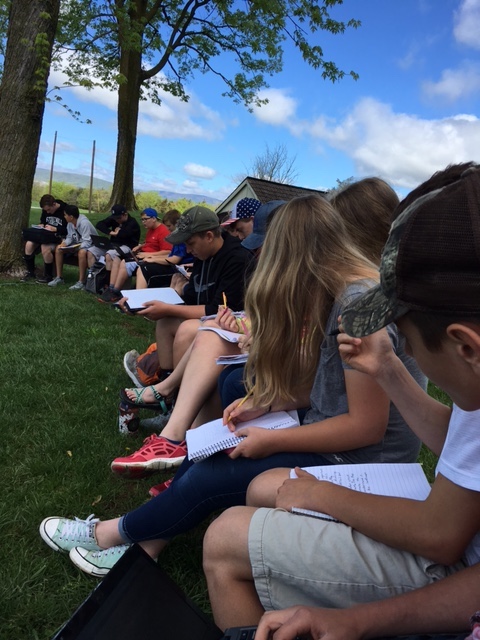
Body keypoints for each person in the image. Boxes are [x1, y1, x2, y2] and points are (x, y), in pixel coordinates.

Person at [39, 195, 424, 579]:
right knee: (208, 445)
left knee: (209, 477)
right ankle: (142, 545)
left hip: (362, 464)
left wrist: (273, 440)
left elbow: (366, 427)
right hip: (333, 436)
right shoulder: (342, 295)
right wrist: (267, 405)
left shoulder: (355, 307)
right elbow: (331, 389)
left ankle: (108, 534)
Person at [202, 162, 480, 639]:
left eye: (408, 339)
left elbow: (440, 536)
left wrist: (321, 495)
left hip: (455, 569)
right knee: (265, 491)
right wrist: (389, 370)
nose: (408, 352)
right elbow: (460, 440)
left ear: (467, 349)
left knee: (225, 535)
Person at [100, 208, 172, 302]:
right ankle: (112, 287)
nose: (143, 222)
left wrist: (147, 254)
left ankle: (116, 292)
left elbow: (167, 251)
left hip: (152, 259)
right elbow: (150, 243)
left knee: (125, 263)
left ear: (154, 219)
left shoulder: (163, 231)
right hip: (142, 254)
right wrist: (140, 246)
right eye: (142, 220)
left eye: (145, 219)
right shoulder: (150, 229)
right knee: (117, 259)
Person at [134, 209, 193, 289]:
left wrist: (154, 260)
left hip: (181, 268)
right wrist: (152, 257)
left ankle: (139, 294)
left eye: (169, 226)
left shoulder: (181, 239)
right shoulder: (176, 237)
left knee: (145, 268)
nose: (167, 229)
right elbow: (170, 255)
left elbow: (174, 260)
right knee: (144, 265)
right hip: (175, 267)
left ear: (177, 224)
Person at [48, 205, 101, 290]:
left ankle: (81, 281)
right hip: (77, 244)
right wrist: (65, 244)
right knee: (58, 249)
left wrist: (76, 248)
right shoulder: (70, 223)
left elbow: (87, 241)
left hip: (91, 245)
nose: (64, 216)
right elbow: (70, 237)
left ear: (71, 217)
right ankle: (59, 277)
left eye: (65, 215)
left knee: (82, 252)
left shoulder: (84, 223)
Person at [21, 194, 67, 283]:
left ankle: (48, 276)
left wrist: (56, 229)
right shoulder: (46, 211)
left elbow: (69, 229)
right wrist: (41, 225)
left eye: (49, 210)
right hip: (45, 235)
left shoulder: (65, 210)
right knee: (29, 244)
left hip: (59, 237)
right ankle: (30, 272)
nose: (47, 212)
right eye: (45, 210)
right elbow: (43, 221)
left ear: (54, 204)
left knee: (45, 247)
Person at [95, 204, 141, 289]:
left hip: (128, 247)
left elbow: (124, 235)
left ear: (125, 214)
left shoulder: (132, 223)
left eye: (118, 218)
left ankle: (110, 284)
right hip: (114, 245)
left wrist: (118, 232)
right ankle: (100, 281)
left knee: (109, 255)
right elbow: (99, 224)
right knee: (95, 251)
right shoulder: (115, 219)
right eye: (115, 218)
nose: (117, 220)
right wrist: (112, 232)